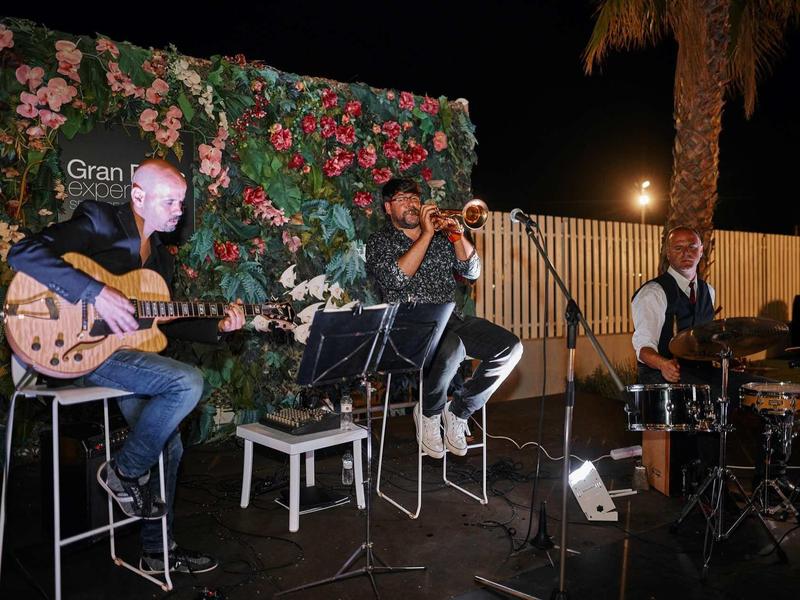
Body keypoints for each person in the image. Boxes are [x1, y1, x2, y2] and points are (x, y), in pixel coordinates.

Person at [7, 159, 244, 575]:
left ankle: (157, 552)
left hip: (122, 358)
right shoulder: (100, 221)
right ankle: (123, 471)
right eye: (169, 200)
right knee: (187, 382)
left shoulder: (162, 263)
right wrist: (94, 291)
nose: (177, 210)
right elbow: (23, 252)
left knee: (168, 440)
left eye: (181, 202)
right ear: (137, 195)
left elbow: (163, 323)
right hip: (70, 349)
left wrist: (220, 326)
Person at [366, 178, 523, 459]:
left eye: (415, 198)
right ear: (388, 208)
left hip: (450, 318)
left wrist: (456, 236)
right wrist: (426, 235)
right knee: (451, 345)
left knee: (510, 347)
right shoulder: (379, 241)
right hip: (408, 325)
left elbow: (472, 272)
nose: (412, 204)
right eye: (402, 199)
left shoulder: (441, 238)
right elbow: (397, 279)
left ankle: (458, 411)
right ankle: (428, 413)